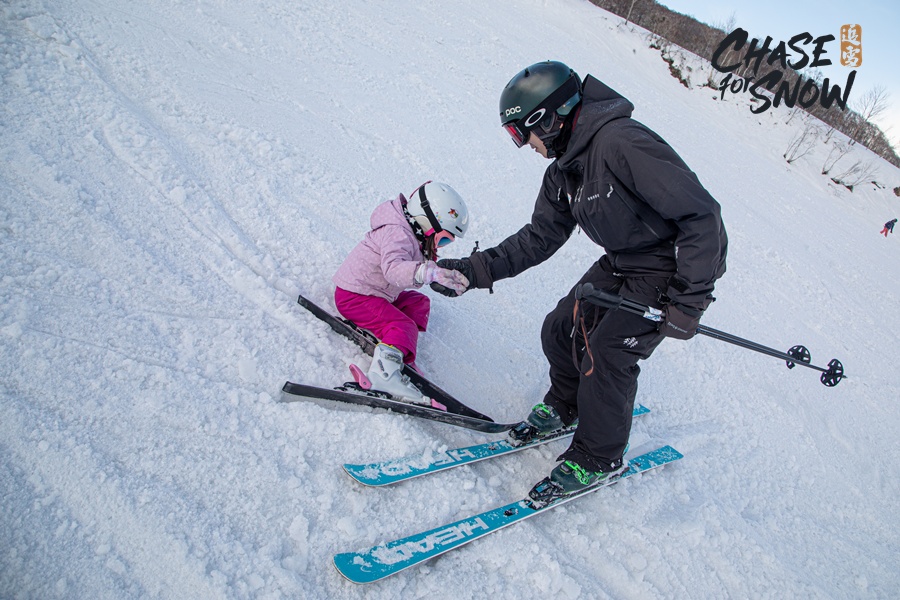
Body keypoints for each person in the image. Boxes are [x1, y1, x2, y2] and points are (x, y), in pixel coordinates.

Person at [434, 61, 727, 492]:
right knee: (560, 328)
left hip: (668, 269)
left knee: (608, 353)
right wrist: (474, 271)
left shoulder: (622, 143)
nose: (522, 144)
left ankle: (599, 455)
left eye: (520, 133)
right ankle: (567, 405)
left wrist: (689, 301)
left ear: (547, 118)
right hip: (623, 260)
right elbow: (539, 237)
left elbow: (703, 216)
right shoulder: (564, 172)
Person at [333, 181, 471, 404]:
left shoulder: (410, 234)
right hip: (355, 296)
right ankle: (384, 375)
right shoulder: (397, 233)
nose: (442, 245)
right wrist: (427, 273)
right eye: (443, 239)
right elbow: (393, 270)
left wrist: (440, 273)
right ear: (426, 221)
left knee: (419, 303)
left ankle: (398, 347)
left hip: (375, 293)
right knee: (403, 324)